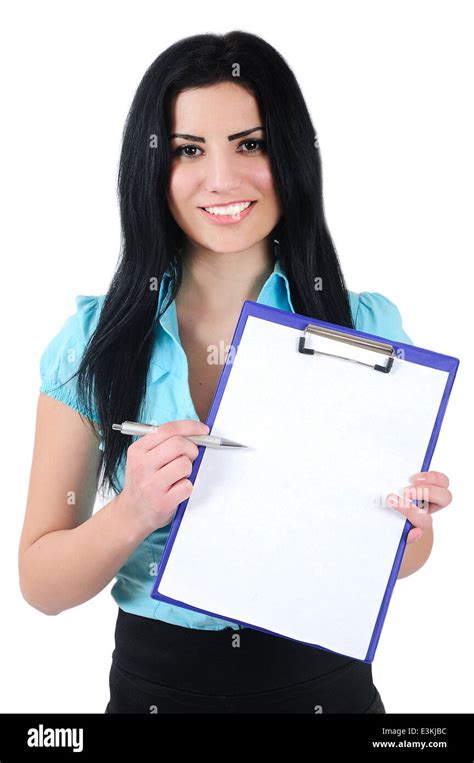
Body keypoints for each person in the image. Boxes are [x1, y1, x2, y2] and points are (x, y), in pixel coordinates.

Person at [19, 31, 452, 714]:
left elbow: (407, 556)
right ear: (151, 166)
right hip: (158, 687)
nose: (221, 178)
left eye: (250, 144)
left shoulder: (365, 327)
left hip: (325, 685)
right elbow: (40, 582)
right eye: (189, 150)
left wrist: (406, 534)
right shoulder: (92, 342)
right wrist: (131, 512)